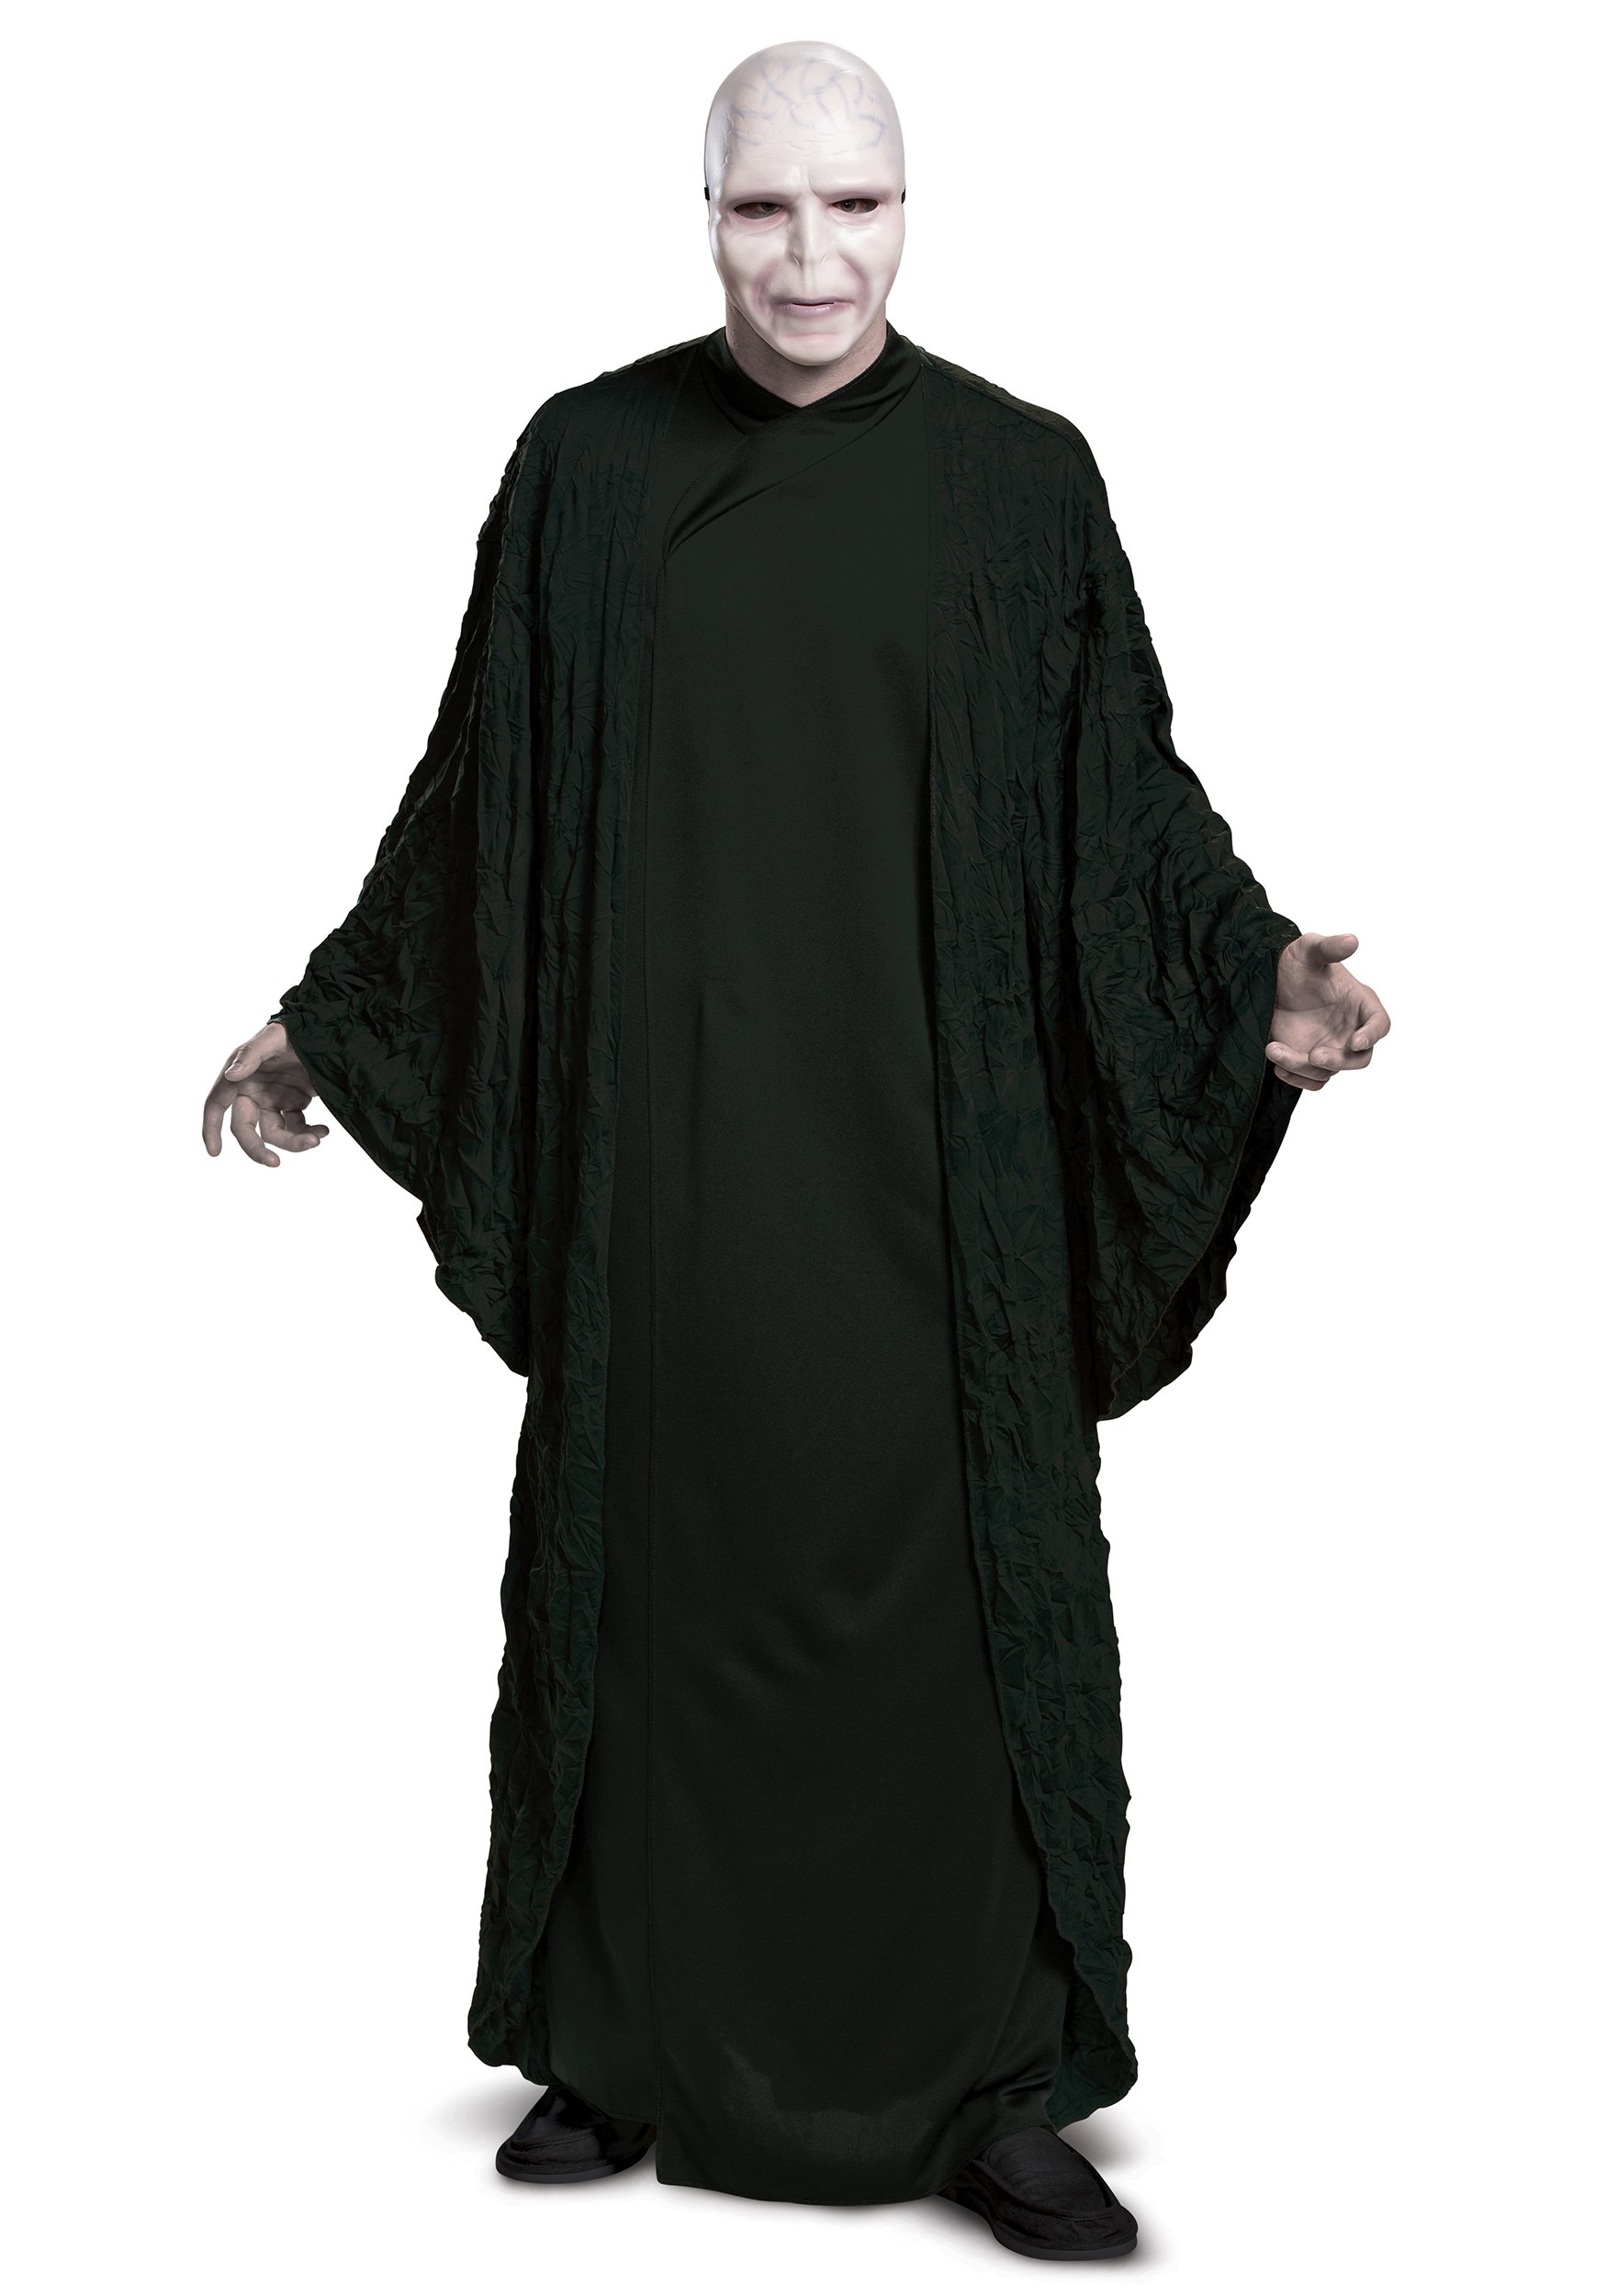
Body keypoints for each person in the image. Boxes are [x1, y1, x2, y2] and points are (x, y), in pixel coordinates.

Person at [202, 42, 1388, 2264]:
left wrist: (1247, 972)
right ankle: (617, 2031)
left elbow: (1122, 797)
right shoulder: (584, 468)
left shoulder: (1019, 481)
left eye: (855, 204)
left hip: (941, 1187)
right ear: (707, 215)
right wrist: (335, 1014)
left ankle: (992, 2074)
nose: (811, 256)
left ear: (909, 208)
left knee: (952, 1620)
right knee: (647, 1592)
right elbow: (477, 792)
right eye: (763, 208)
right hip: (664, 1178)